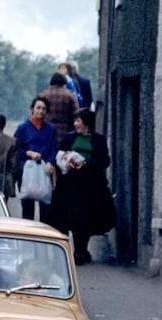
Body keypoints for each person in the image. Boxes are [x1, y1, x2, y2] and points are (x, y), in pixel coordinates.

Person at [51, 108, 116, 265]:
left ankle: (82, 250)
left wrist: (87, 163)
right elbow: (60, 155)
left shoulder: (98, 140)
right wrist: (67, 162)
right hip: (71, 185)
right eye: (75, 121)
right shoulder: (69, 138)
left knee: (86, 218)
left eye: (78, 121)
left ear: (87, 123)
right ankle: (74, 250)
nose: (76, 124)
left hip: (91, 186)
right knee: (71, 217)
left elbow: (105, 161)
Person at [13, 96, 58, 224]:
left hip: (44, 169)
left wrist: (51, 162)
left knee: (46, 206)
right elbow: (16, 149)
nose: (41, 111)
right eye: (38, 108)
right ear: (32, 109)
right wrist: (29, 153)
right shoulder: (23, 128)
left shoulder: (51, 130)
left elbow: (54, 149)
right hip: (26, 169)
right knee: (27, 206)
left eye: (44, 109)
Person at [40, 73, 79, 143]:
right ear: (64, 82)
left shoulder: (43, 94)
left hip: (46, 129)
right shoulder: (70, 95)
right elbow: (76, 113)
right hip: (64, 131)